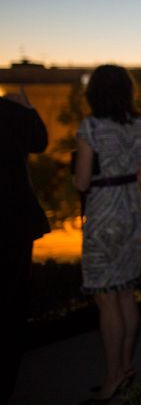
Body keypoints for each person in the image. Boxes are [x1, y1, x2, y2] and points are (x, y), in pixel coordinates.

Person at [73, 65, 141, 403]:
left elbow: (80, 181)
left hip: (104, 212)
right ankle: (125, 367)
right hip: (132, 209)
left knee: (106, 296)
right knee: (125, 291)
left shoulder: (90, 127)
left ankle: (113, 376)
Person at [0, 89, 50, 405]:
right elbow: (39, 142)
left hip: (13, 224)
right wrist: (28, 108)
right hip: (13, 223)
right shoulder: (9, 110)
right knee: (11, 306)